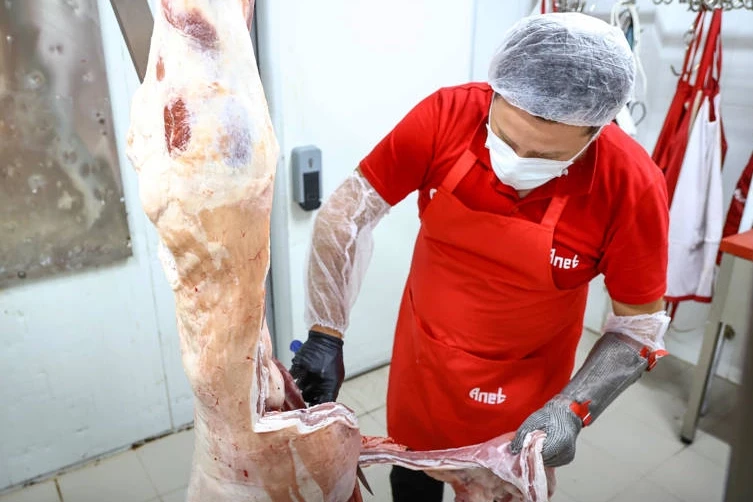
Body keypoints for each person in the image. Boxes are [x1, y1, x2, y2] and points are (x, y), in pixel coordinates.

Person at [289, 12, 670, 501]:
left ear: (597, 130)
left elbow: (637, 328)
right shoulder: (447, 115)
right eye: (506, 141)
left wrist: (573, 408)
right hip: (425, 363)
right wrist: (325, 333)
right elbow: (348, 213)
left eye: (546, 157)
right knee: (411, 479)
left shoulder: (631, 185)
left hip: (529, 384)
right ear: (496, 95)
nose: (517, 162)